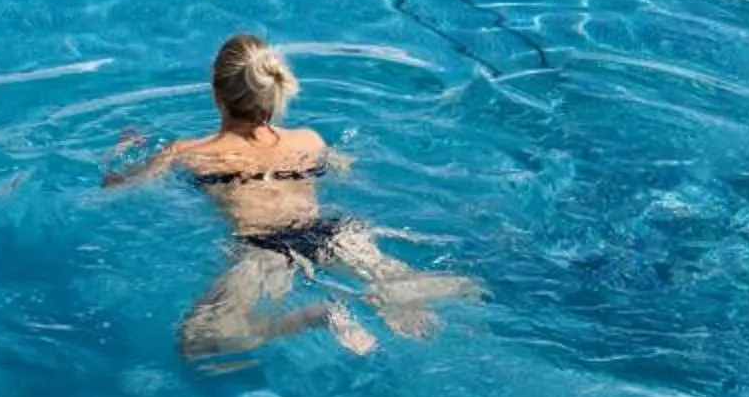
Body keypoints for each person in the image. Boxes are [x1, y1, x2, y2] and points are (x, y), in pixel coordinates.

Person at [107, 34, 480, 358]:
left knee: (197, 341)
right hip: (332, 233)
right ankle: (403, 295)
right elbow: (348, 171)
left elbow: (117, 188)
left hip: (265, 250)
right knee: (435, 287)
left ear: (216, 93)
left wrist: (122, 151)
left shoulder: (188, 152)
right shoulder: (310, 139)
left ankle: (316, 315)